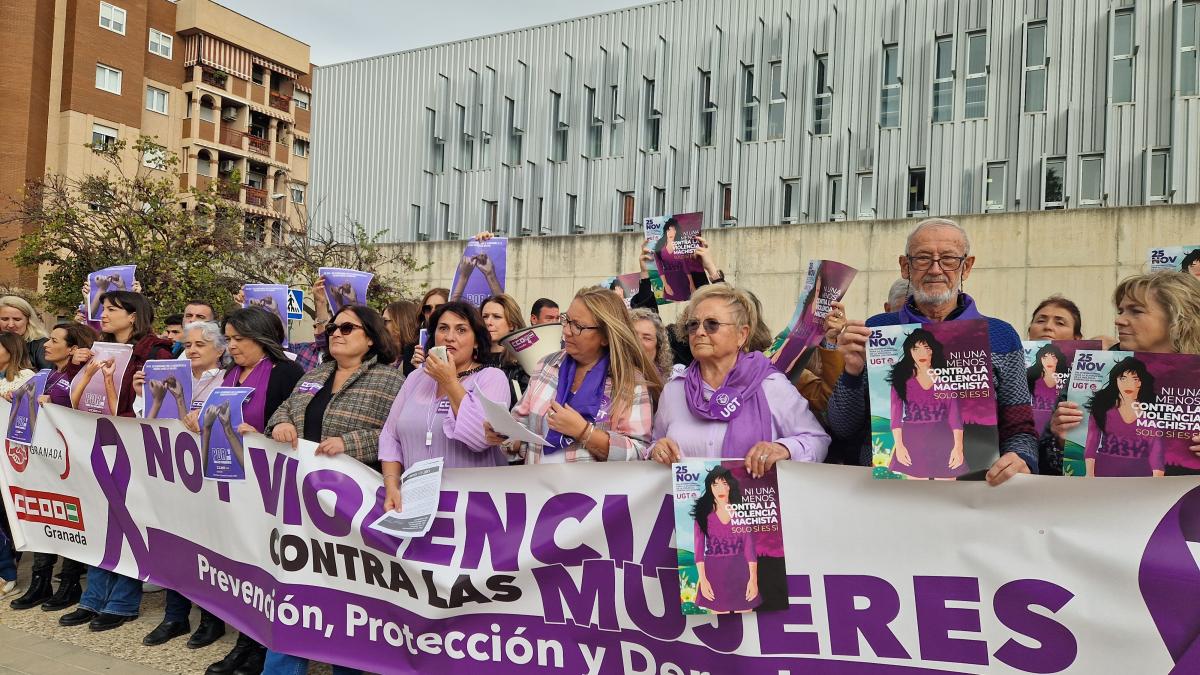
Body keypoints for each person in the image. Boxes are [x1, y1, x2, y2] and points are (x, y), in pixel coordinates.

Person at [828, 218, 1037, 485]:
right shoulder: (877, 331)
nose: (936, 269)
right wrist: (852, 373)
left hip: (972, 492)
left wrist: (1021, 457)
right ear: (906, 267)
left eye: (949, 258)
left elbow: (1020, 429)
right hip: (889, 491)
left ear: (967, 266)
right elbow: (842, 427)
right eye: (923, 258)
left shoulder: (1000, 336)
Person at [263, 305, 403, 674]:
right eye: (334, 327)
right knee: (293, 592)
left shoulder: (390, 381)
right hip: (302, 504)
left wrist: (350, 443)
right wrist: (280, 426)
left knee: (349, 598)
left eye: (347, 327)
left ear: (370, 337)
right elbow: (283, 410)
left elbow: (396, 439)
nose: (336, 333)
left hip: (351, 510)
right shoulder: (316, 373)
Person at [193, 307, 303, 675]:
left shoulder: (286, 373)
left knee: (266, 570)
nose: (232, 346)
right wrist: (198, 417)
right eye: (229, 338)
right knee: (241, 568)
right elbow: (220, 417)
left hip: (270, 490)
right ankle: (244, 642)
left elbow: (293, 426)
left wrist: (268, 437)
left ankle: (259, 647)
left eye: (240, 339)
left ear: (262, 339)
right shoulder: (230, 373)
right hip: (233, 487)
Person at [59, 291, 173, 632]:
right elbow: (75, 395)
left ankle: (123, 602)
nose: (103, 314)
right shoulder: (98, 348)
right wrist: (77, 365)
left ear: (133, 316)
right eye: (103, 308)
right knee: (98, 523)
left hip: (135, 445)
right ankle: (93, 599)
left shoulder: (156, 351)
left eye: (111, 309)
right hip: (98, 440)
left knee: (129, 524)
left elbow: (156, 403)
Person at [647, 284, 830, 469]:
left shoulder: (770, 385)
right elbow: (654, 444)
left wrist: (784, 449)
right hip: (685, 497)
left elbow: (817, 440)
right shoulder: (674, 390)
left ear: (742, 335)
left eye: (712, 324)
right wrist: (657, 449)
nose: (700, 332)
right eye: (693, 325)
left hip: (752, 496)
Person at [1049, 271, 1200, 475]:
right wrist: (1062, 440)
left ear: (1178, 318)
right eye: (1120, 311)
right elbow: (1058, 464)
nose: (1119, 320)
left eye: (1135, 311)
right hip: (1108, 498)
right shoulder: (1097, 369)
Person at [487, 286, 660, 463]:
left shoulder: (630, 382)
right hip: (540, 488)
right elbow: (522, 426)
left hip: (590, 491)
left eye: (578, 326)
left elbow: (639, 453)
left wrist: (585, 432)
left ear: (606, 337)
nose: (566, 331)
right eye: (566, 320)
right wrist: (505, 434)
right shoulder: (546, 365)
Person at [137, 321, 229, 648]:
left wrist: (199, 415)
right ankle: (175, 616)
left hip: (207, 478)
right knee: (174, 544)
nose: (191, 350)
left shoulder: (226, 380)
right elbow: (147, 421)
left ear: (220, 349)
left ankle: (210, 619)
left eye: (199, 345)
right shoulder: (173, 376)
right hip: (171, 473)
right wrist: (143, 394)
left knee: (207, 549)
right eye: (188, 345)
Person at [10, 323, 95, 612]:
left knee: (71, 521)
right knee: (44, 518)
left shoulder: (78, 375)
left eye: (55, 340)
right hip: (42, 462)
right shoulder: (47, 374)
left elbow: (77, 406)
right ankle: (40, 581)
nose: (46, 344)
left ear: (72, 349)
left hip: (69, 462)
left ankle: (69, 583)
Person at [381, 301, 510, 483]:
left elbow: (480, 439)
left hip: (469, 503)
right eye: (443, 328)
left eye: (461, 330)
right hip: (416, 500)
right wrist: (392, 482)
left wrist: (449, 382)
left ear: (476, 342)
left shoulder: (492, 377)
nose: (450, 337)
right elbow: (389, 436)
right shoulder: (416, 377)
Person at [886, 328, 965, 479]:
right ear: (909, 352)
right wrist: (900, 446)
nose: (921, 353)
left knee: (947, 493)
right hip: (912, 439)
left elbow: (955, 417)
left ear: (933, 351)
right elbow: (895, 418)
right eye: (916, 349)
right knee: (916, 496)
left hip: (944, 437)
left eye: (926, 348)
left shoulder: (946, 377)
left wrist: (958, 447)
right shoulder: (900, 379)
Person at [691, 465, 759, 614]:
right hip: (714, 573)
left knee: (748, 619)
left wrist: (753, 579)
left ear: (730, 486)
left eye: (724, 483)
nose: (720, 489)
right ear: (709, 488)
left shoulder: (742, 513)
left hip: (741, 572)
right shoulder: (702, 517)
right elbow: (698, 552)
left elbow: (750, 550)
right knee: (721, 626)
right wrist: (703, 580)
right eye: (715, 484)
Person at [480, 294, 530, 406]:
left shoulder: (524, 365)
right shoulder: (472, 359)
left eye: (496, 317)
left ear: (511, 324)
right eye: (485, 316)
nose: (488, 322)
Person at [1026, 342, 1068, 435]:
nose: (1049, 361)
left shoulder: (1067, 379)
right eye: (1045, 357)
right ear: (1040, 360)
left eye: (1053, 357)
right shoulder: (1029, 377)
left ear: (1058, 359)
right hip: (1030, 432)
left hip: (1057, 433)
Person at [0, 295, 50, 370]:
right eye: (5, 319)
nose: (10, 325)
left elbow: (48, 377)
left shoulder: (41, 346)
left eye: (17, 319)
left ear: (28, 320)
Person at [630, 308, 673, 383]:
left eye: (647, 338)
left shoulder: (669, 383)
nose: (638, 343)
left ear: (658, 346)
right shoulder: (610, 382)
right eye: (633, 336)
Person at [383, 299, 422, 374]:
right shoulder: (385, 354)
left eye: (385, 321)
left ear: (400, 323)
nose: (381, 326)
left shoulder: (417, 357)